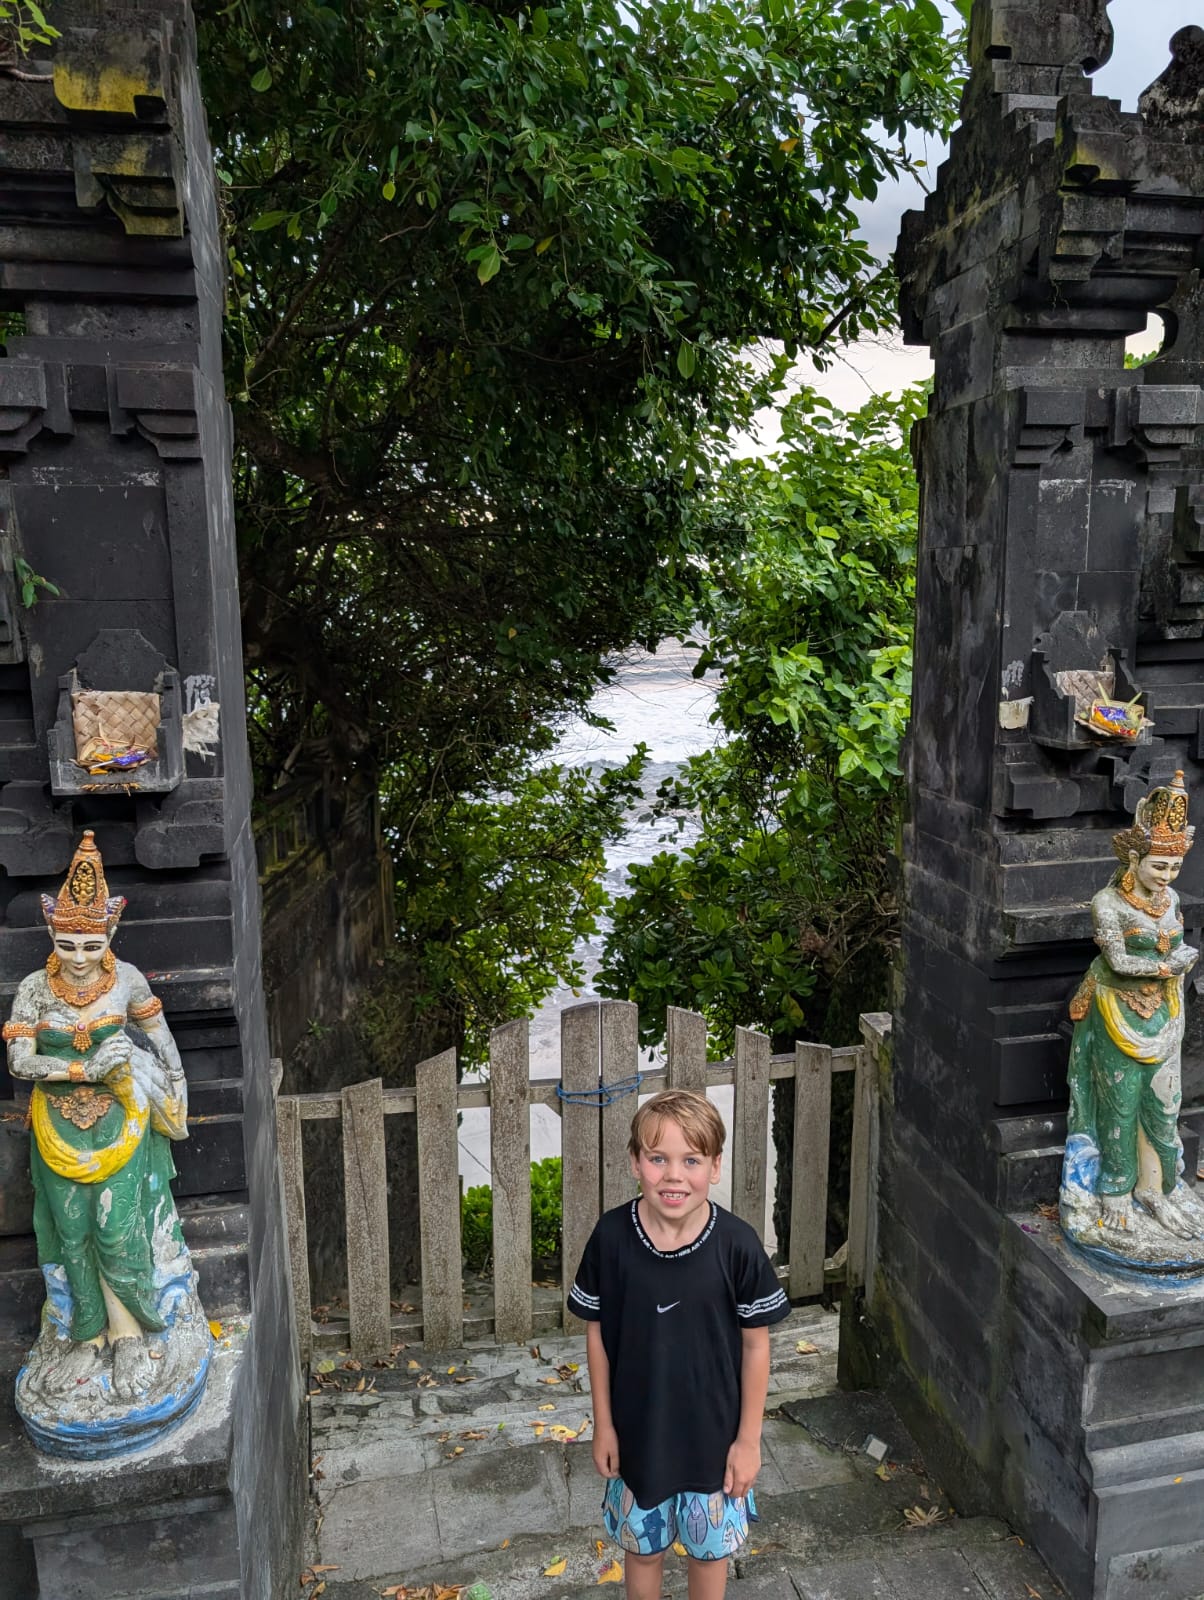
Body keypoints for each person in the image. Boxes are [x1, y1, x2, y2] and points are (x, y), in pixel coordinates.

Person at [569, 1088, 790, 1600]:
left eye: (691, 1160)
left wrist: (748, 1441)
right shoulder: (611, 1238)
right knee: (643, 1552)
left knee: (709, 1555)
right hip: (638, 1438)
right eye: (658, 1158)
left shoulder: (737, 1245)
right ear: (634, 1162)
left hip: (714, 1444)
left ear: (715, 1166)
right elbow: (597, 1333)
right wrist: (604, 1425)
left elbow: (756, 1348)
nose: (673, 1175)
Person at [3, 830, 196, 1406]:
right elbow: (19, 1060)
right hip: (56, 1123)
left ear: (110, 935)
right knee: (71, 1231)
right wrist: (80, 1071)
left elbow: (160, 1039)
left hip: (122, 1121)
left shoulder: (128, 979)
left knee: (117, 1228)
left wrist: (175, 1088)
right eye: (67, 945)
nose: (80, 958)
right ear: (51, 936)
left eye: (91, 944)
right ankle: (86, 1335)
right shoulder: (35, 989)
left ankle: (129, 1332)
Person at [1062, 771, 1203, 1246]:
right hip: (1115, 1008)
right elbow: (1118, 961)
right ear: (1135, 858)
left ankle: (1155, 1188)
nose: (1167, 876)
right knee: (1119, 1103)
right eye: (1159, 866)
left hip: (1163, 1011)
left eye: (1175, 867)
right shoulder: (1108, 903)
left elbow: (1177, 946)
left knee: (1163, 1104)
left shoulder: (1172, 898)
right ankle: (1115, 1190)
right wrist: (1168, 966)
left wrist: (1178, 962)